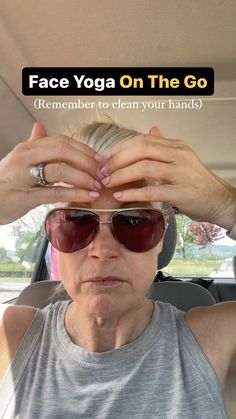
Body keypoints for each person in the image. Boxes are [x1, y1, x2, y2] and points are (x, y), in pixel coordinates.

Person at [0, 121, 235, 419]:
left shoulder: (218, 341)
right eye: (76, 221)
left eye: (135, 220)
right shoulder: (12, 336)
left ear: (162, 237)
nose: (102, 250)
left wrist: (226, 204)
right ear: (54, 237)